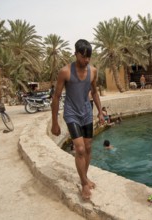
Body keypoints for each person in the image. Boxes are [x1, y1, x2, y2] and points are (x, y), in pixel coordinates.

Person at [51, 39, 105, 200]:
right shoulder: (65, 72)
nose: (86, 60)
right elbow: (56, 96)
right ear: (76, 54)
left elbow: (94, 92)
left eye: (89, 57)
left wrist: (100, 112)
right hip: (71, 113)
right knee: (80, 149)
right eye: (83, 57)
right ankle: (83, 184)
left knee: (88, 147)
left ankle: (85, 177)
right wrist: (54, 122)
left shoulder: (93, 71)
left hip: (87, 113)